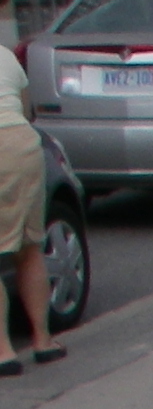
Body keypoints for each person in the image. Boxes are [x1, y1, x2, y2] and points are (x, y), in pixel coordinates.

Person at [0, 44, 64, 378]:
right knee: (29, 247)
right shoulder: (5, 56)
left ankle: (3, 351)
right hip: (23, 148)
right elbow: (27, 111)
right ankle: (42, 340)